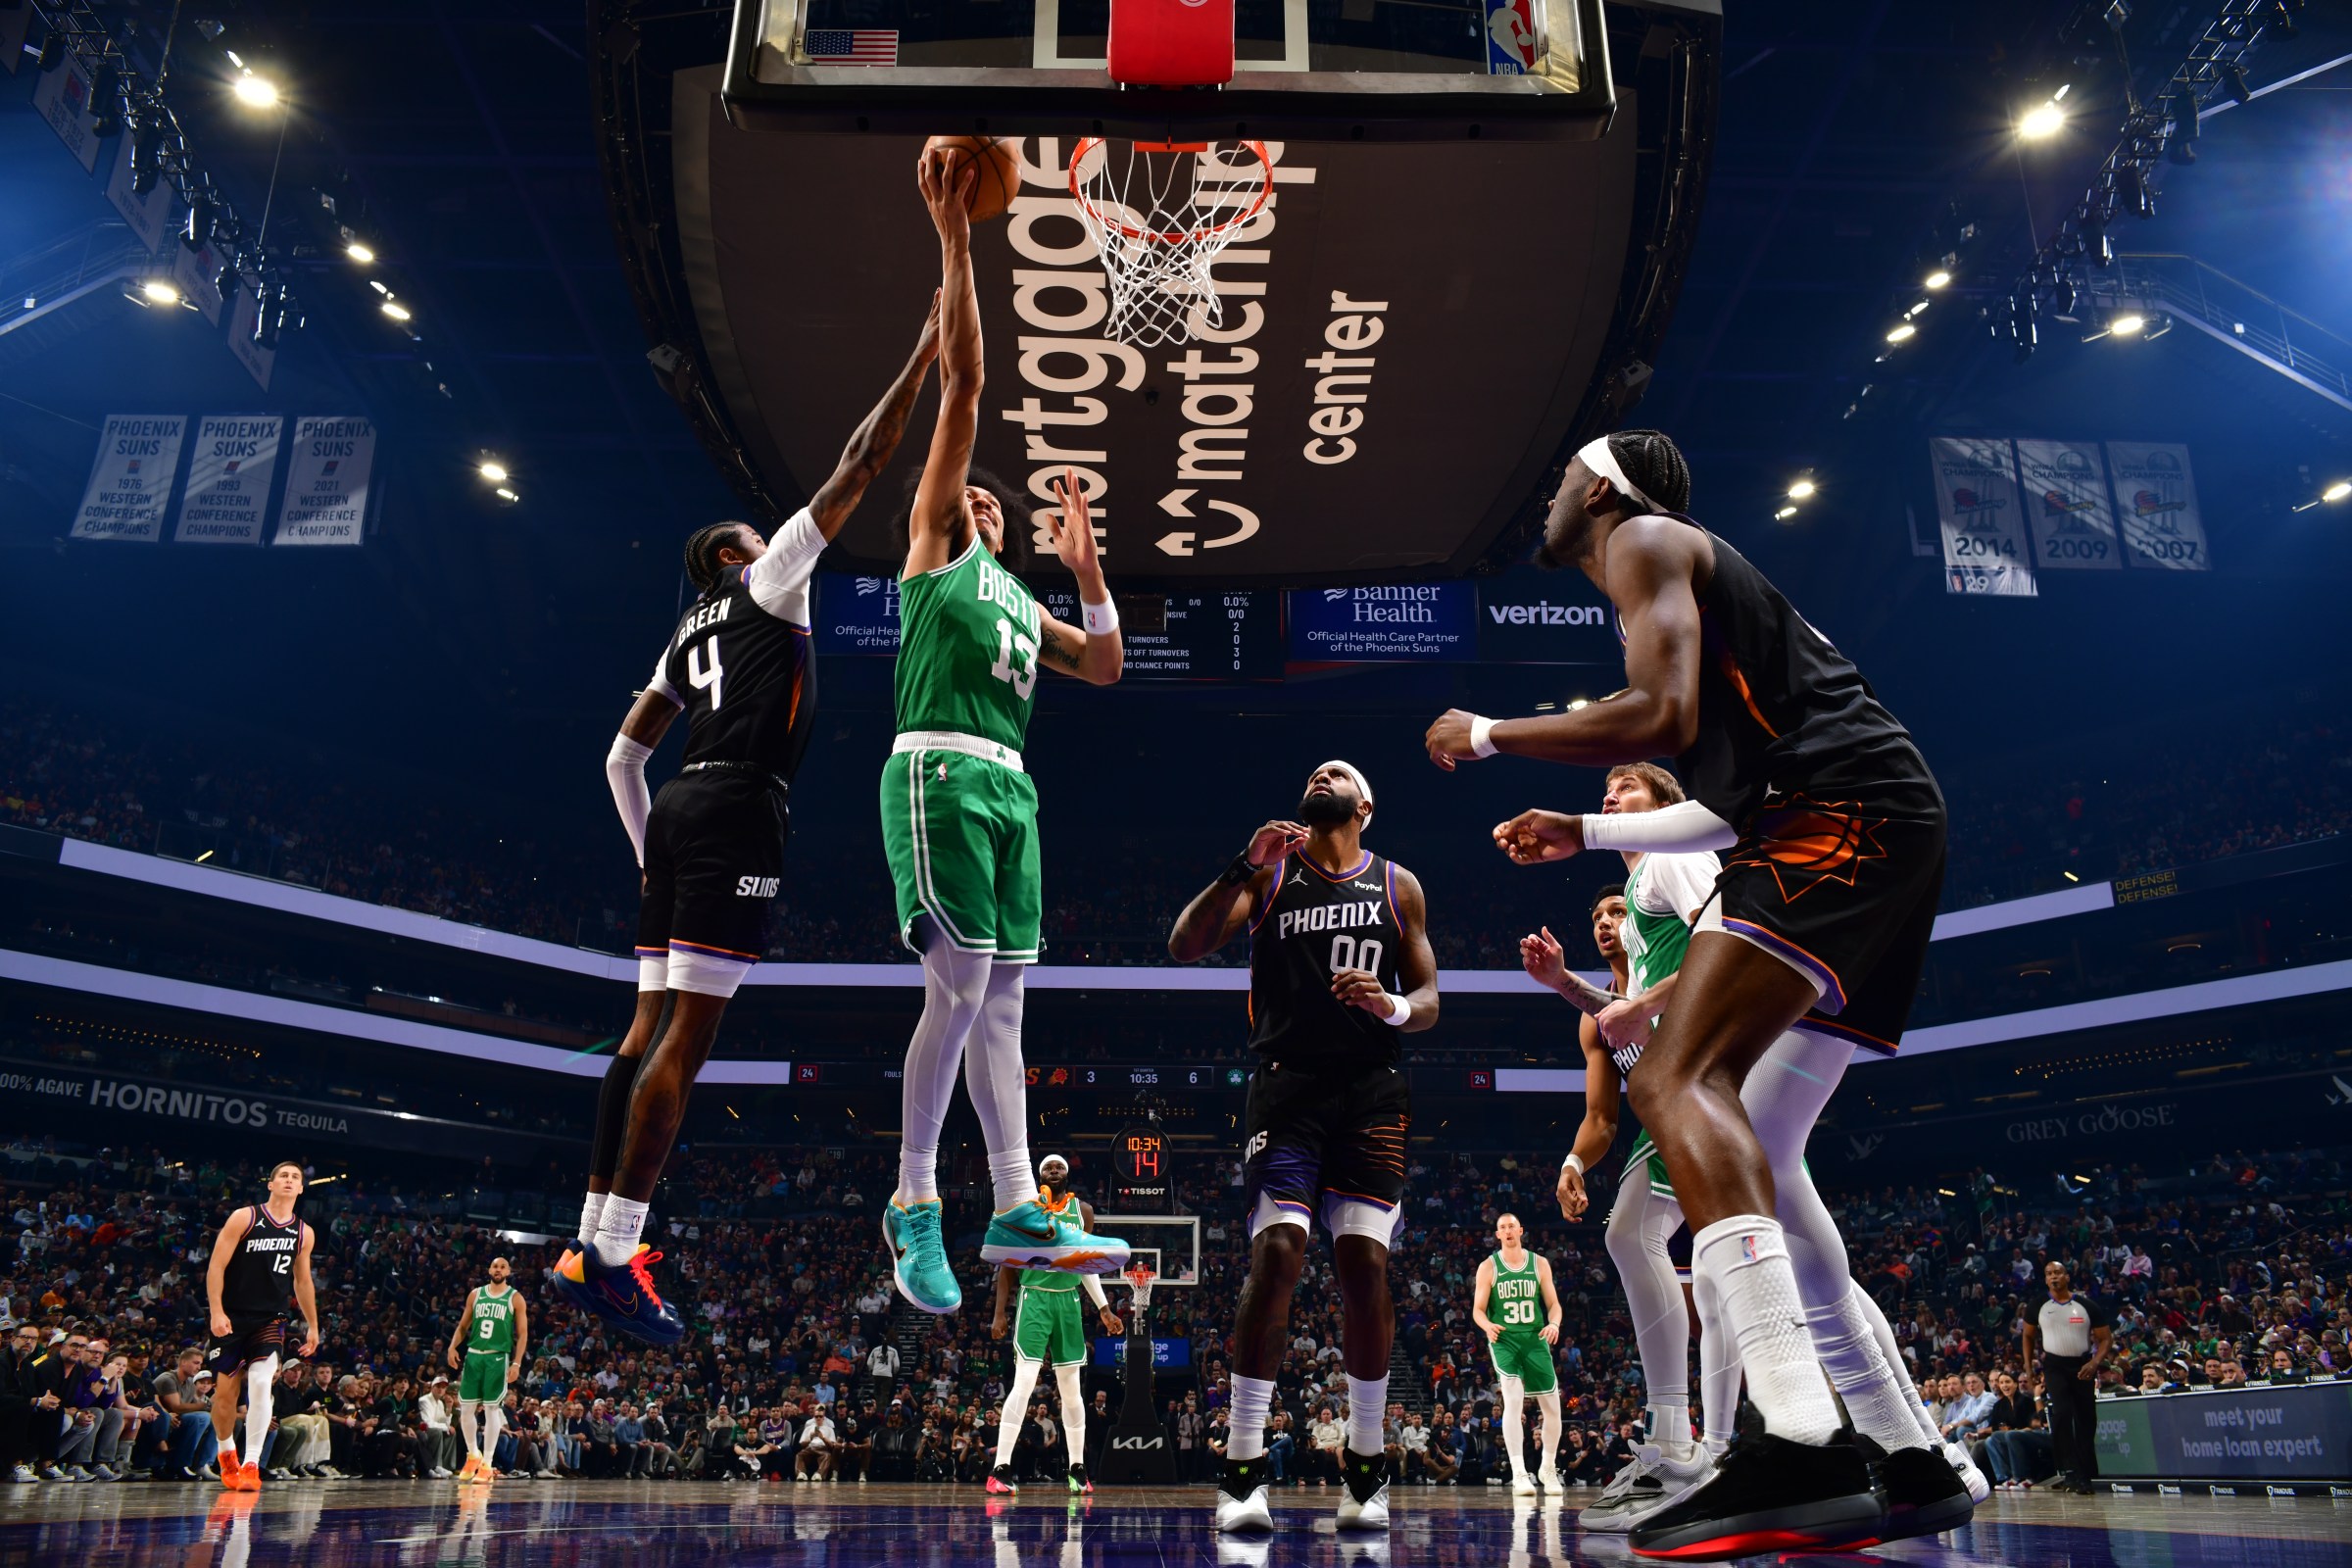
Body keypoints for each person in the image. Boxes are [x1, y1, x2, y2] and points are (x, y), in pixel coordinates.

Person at [1437, 429, 1970, 1556]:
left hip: (1843, 815)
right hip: (1871, 815)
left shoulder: (1643, 539)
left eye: (1559, 477)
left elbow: (1665, 720)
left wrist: (1487, 734)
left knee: (1679, 1073)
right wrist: (1584, 827)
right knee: (1768, 1154)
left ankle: (1795, 1435)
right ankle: (1906, 1452)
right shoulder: (1679, 572)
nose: (1549, 495)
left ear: (1602, 488)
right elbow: (1723, 800)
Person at [557, 293, 944, 1346]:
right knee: (687, 1036)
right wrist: (920, 352)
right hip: (735, 808)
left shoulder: (684, 632)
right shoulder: (767, 582)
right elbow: (860, 464)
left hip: (680, 808)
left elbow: (619, 755)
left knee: (641, 1032)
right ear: (735, 554)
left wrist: (651, 858)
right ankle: (616, 1249)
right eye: (751, 532)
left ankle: (589, 1229)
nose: (769, 533)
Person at [880, 145, 1132, 1313]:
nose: (981, 496)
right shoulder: (935, 545)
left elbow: (1109, 664)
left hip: (1012, 788)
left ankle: (1019, 1200)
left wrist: (1088, 577)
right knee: (965, 980)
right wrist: (955, 240)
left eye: (994, 498)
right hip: (937, 767)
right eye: (969, 488)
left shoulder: (1022, 599)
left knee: (1007, 1000)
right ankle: (914, 1197)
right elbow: (966, 396)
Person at [1168, 760, 1440, 1536]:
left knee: (1364, 1268)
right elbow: (1184, 944)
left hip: (1371, 1090)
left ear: (1366, 803)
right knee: (1279, 1254)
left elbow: (1429, 1003)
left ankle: (1364, 1466)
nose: (1323, 771)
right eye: (1316, 769)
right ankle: (1243, 1469)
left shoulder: (1398, 885)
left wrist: (1389, 1003)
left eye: (1341, 771)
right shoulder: (1271, 874)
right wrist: (1242, 865)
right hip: (1286, 1092)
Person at [986, 1156, 1122, 1495]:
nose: (1054, 1170)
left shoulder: (1084, 1211)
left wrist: (1104, 1308)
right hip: (1034, 1299)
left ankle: (1077, 1469)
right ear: (1039, 1174)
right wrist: (1000, 1312)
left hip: (1068, 1302)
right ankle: (1000, 1468)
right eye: (1049, 1167)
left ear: (1068, 1173)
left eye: (1059, 1166)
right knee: (1025, 1382)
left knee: (1072, 1390)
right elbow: (1006, 1267)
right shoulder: (1026, 1209)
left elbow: (1085, 1264)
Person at [202, 1160, 318, 1493]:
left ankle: (252, 1462)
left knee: (260, 1380)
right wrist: (216, 1311)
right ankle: (227, 1453)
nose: (289, 1180)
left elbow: (303, 1281)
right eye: (283, 1175)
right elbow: (216, 1266)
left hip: (271, 1318)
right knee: (225, 1395)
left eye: (295, 1177)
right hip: (233, 1315)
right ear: (270, 1183)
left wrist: (313, 1325)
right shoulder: (245, 1217)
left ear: (300, 1188)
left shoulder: (303, 1232)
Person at [1472, 1213, 1565, 1497]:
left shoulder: (1539, 1263)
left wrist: (1554, 1324)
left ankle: (1548, 1468)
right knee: (1512, 1399)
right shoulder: (1489, 1267)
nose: (1508, 1230)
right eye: (1502, 1227)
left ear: (1521, 1230)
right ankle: (1519, 1472)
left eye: (1512, 1226)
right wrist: (1487, 1325)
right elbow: (1478, 1309)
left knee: (1553, 1409)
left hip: (1535, 1338)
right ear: (1497, 1235)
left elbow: (1554, 1305)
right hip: (1504, 1339)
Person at [2022, 1261, 2110, 1494]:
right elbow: (2028, 1337)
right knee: (2061, 1413)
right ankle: (2069, 1471)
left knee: (2086, 1418)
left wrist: (2094, 1362)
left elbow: (2105, 1338)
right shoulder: (2038, 1305)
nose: (2053, 1277)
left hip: (2082, 1365)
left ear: (2067, 1276)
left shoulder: (2085, 1304)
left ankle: (2085, 1475)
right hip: (2054, 1365)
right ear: (2045, 1278)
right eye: (2049, 1273)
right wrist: (2028, 1368)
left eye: (2058, 1272)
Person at [446, 1255, 528, 1484]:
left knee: (492, 1409)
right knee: (466, 1409)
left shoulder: (515, 1298)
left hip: (497, 1358)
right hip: (473, 1356)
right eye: (494, 1265)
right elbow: (463, 1326)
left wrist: (516, 1362)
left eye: (502, 1266)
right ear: (489, 1269)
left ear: (508, 1272)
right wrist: (453, 1346)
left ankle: (487, 1464)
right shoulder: (476, 1294)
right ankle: (473, 1454)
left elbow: (522, 1334)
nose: (498, 1269)